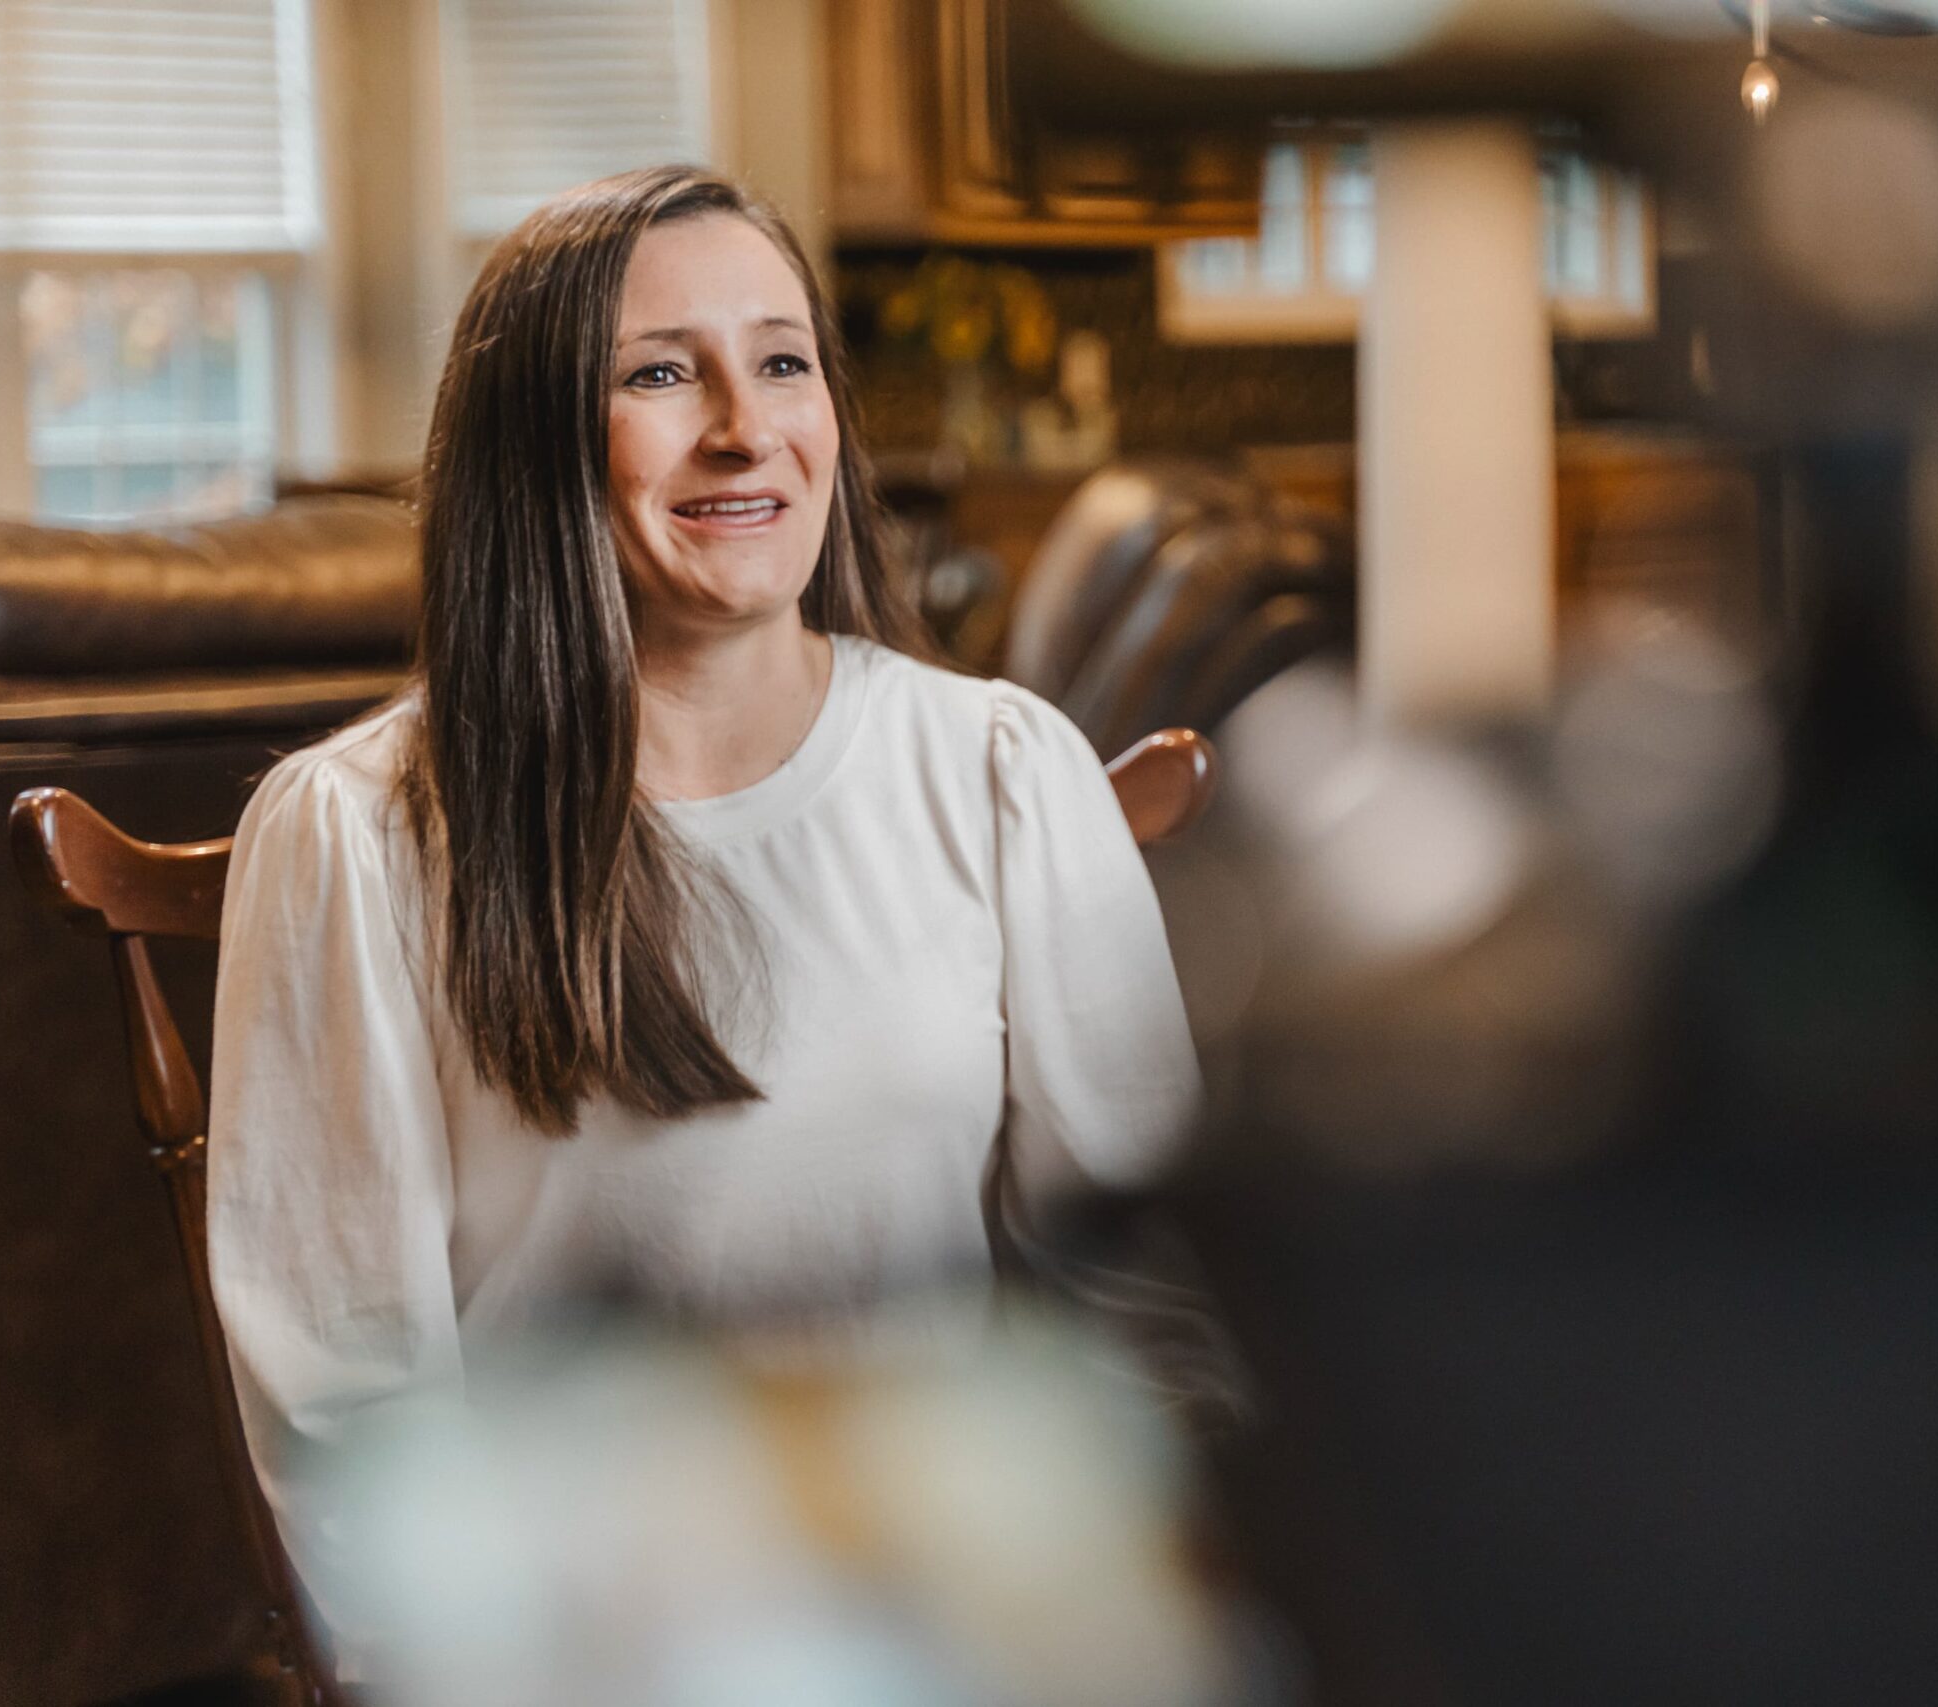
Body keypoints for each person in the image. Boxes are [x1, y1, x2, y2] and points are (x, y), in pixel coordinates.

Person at [205, 166, 1199, 1657]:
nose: (748, 425)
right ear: (532, 447)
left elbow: (1152, 1287)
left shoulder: (1000, 765)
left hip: (970, 1618)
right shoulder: (360, 832)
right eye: (663, 374)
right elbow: (353, 1411)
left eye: (784, 360)